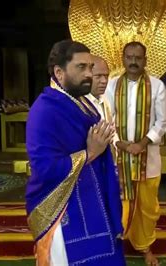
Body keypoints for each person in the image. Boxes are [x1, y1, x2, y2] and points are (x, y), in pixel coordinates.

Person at [25, 40, 125, 266]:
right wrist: (90, 153)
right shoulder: (45, 110)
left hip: (95, 206)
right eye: (81, 67)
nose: (89, 74)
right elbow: (44, 168)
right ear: (59, 73)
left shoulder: (83, 103)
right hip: (63, 213)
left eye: (90, 67)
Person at [105, 41, 166, 266]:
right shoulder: (112, 86)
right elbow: (107, 119)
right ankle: (117, 246)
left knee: (147, 208)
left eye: (138, 58)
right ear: (122, 59)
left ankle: (146, 248)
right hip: (118, 158)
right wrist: (120, 144)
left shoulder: (157, 86)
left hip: (148, 159)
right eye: (129, 57)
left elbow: (162, 122)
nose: (133, 61)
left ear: (145, 60)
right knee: (118, 204)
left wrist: (142, 143)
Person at [85, 55, 113, 122]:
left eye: (106, 76)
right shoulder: (79, 104)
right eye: (98, 76)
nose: (104, 81)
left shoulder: (106, 100)